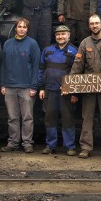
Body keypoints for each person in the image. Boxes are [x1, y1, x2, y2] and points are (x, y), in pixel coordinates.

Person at [70, 14, 101, 160]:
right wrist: (72, 87)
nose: (94, 26)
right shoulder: (84, 43)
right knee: (87, 118)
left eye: (97, 23)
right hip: (88, 88)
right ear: (89, 26)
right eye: (92, 24)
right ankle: (85, 148)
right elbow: (77, 66)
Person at [0, 17, 41, 153]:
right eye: (19, 26)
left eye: (24, 27)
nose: (22, 29)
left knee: (27, 117)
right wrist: (3, 84)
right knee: (12, 117)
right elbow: (3, 66)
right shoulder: (7, 44)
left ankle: (27, 143)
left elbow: (36, 67)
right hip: (10, 86)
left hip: (26, 87)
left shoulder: (32, 44)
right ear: (15, 28)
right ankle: (13, 142)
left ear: (27, 29)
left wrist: (34, 86)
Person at [38, 25, 78, 156]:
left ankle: (70, 147)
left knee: (68, 119)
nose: (60, 37)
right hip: (49, 90)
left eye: (63, 34)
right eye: (58, 34)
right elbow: (41, 70)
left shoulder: (74, 51)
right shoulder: (47, 50)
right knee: (49, 119)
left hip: (66, 93)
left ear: (69, 35)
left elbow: (78, 74)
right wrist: (41, 88)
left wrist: (74, 92)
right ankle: (50, 145)